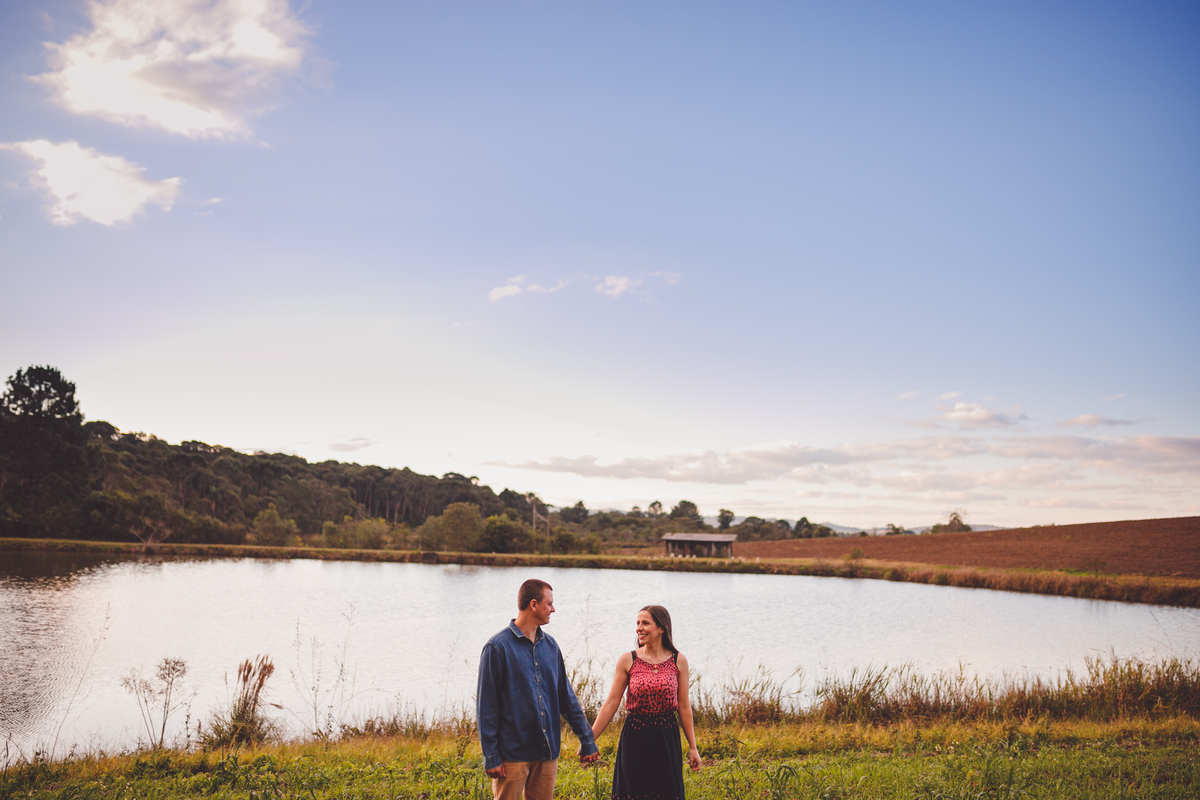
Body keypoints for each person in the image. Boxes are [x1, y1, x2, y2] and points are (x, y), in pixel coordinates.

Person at [477, 578, 600, 800]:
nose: (553, 609)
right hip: (512, 755)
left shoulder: (551, 646)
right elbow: (487, 707)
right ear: (533, 604)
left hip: (546, 752)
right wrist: (491, 754)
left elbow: (566, 698)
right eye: (549, 603)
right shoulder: (497, 647)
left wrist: (587, 739)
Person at [591, 605, 701, 800]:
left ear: (661, 628)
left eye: (645, 623)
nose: (638, 628)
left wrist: (693, 748)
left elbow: (684, 706)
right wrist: (589, 739)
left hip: (666, 736)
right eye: (637, 623)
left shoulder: (678, 661)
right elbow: (611, 703)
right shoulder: (628, 660)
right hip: (635, 736)